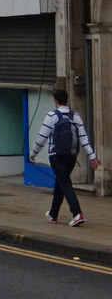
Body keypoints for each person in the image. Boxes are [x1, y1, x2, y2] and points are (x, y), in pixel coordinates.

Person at [29, 89, 100, 227]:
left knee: (65, 183)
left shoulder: (51, 116)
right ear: (66, 100)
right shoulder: (76, 117)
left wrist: (33, 153)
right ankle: (53, 214)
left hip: (56, 156)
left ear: (55, 101)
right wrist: (92, 157)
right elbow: (84, 138)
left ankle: (77, 213)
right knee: (60, 182)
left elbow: (42, 137)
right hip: (72, 156)